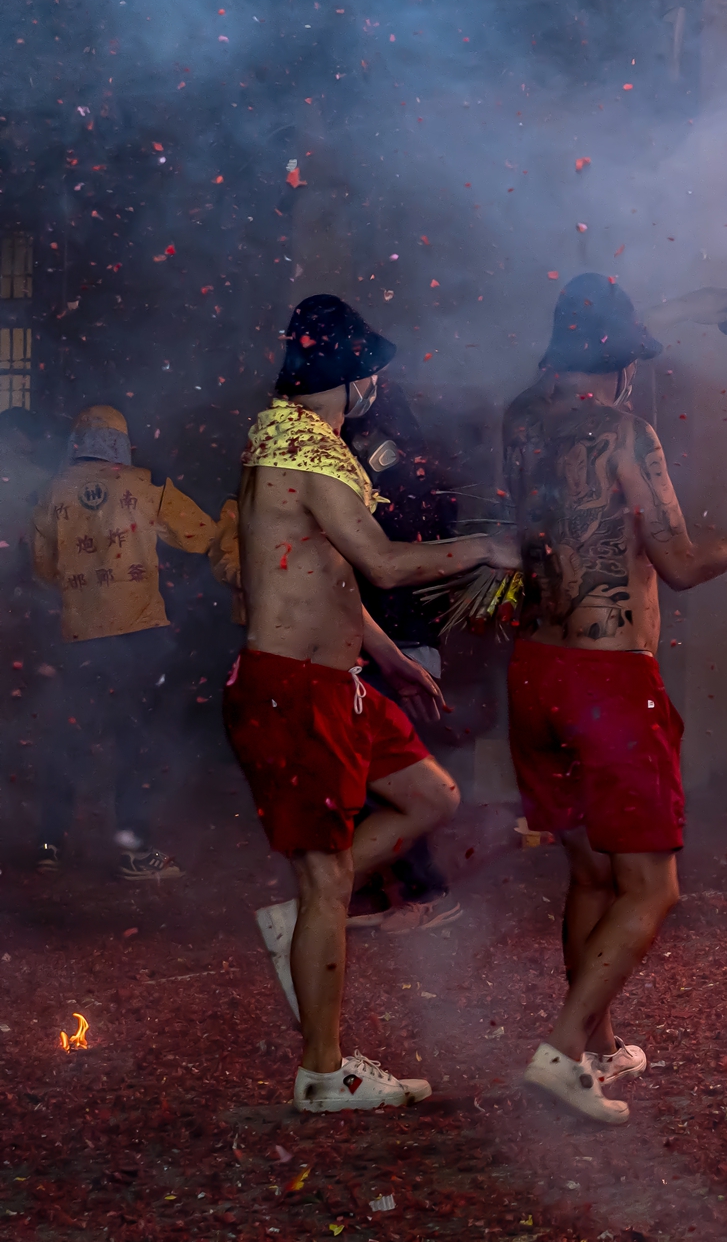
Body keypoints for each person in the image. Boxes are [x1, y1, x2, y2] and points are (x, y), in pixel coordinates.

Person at [504, 272, 727, 1124]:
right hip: (607, 677)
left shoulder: (522, 418)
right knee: (652, 886)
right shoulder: (626, 434)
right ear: (620, 365)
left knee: (589, 869)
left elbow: (563, 360)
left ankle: (599, 1044)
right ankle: (563, 1050)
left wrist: (678, 310)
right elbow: (677, 563)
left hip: (534, 669)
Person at [228, 294, 516, 1113]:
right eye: (373, 371)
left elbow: (331, 579)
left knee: (432, 796)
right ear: (351, 376)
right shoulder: (308, 452)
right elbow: (384, 565)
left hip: (339, 683)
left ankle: (302, 914)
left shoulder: (297, 438)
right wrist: (487, 547)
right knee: (328, 878)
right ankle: (325, 1070)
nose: (380, 385)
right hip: (294, 689)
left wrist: (391, 659)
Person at [29, 405, 220, 880]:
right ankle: (135, 852)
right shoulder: (144, 485)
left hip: (79, 636)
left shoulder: (54, 492)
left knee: (69, 739)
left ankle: (48, 846)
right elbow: (203, 537)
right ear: (122, 441)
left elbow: (44, 569)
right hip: (138, 638)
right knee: (134, 743)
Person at [341, 380, 467, 934]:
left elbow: (389, 560)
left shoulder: (405, 475)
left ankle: (426, 891)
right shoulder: (354, 468)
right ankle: (369, 890)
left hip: (403, 644)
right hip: (373, 641)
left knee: (390, 780)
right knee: (365, 778)